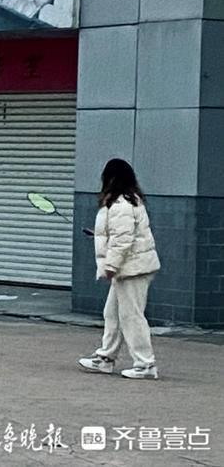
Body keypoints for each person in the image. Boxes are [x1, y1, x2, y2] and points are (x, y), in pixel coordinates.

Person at [78, 159, 161, 379]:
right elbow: (120, 235)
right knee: (112, 313)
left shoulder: (121, 205)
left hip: (133, 270)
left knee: (132, 316)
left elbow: (123, 241)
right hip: (131, 267)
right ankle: (105, 358)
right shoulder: (126, 201)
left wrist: (110, 266)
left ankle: (145, 364)